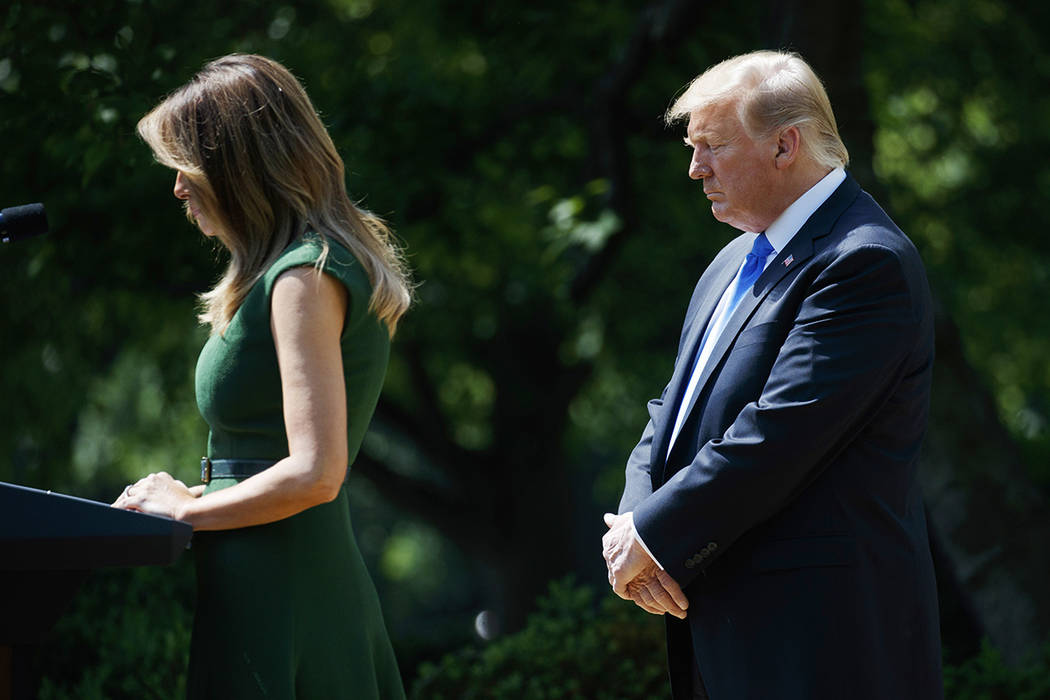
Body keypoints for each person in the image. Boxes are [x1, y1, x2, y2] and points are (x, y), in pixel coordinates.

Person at [601, 50, 942, 699]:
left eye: (712, 147)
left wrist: (652, 536)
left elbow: (778, 435)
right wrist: (632, 521)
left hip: (821, 649)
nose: (694, 168)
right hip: (725, 638)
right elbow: (670, 409)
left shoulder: (865, 262)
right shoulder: (730, 262)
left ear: (786, 144)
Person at [112, 54, 411, 699]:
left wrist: (189, 511)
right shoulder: (289, 274)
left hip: (286, 581)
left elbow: (315, 471)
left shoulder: (303, 277)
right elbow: (270, 462)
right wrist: (183, 497)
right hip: (262, 573)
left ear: (236, 168)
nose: (177, 189)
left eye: (185, 170)